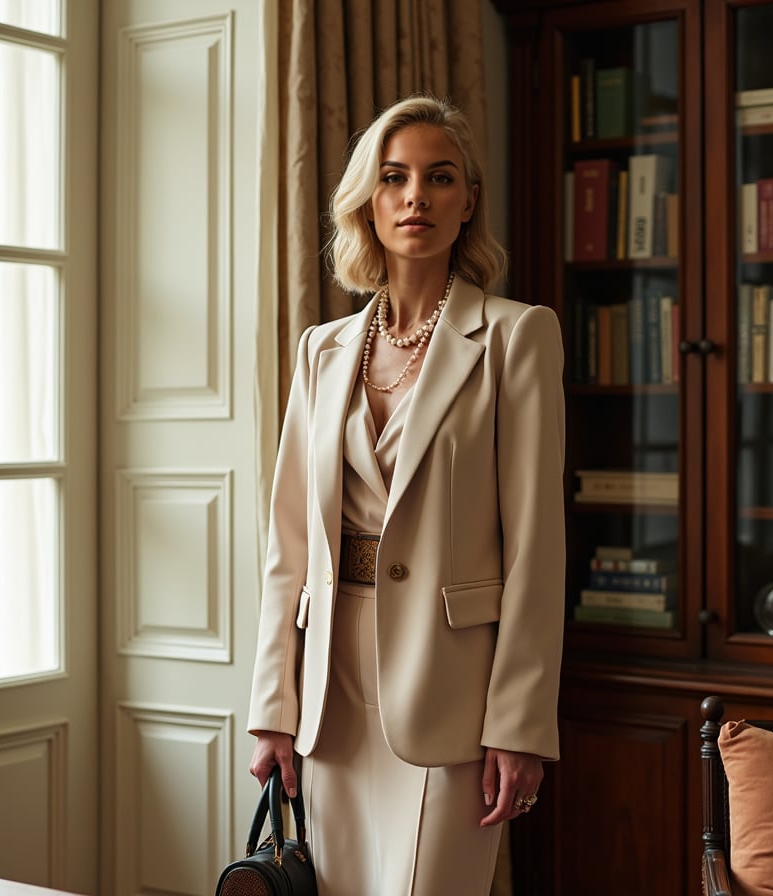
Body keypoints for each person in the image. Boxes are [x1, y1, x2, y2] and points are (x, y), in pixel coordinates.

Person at [248, 94, 565, 896]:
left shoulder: (516, 336)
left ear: (469, 202)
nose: (416, 196)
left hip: (452, 688)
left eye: (439, 177)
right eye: (394, 178)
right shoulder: (321, 350)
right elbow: (289, 544)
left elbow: (536, 547)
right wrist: (274, 705)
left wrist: (520, 723)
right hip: (331, 691)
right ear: (369, 201)